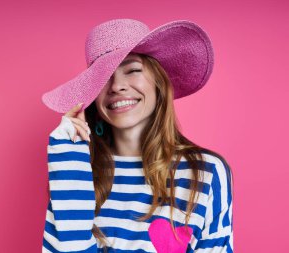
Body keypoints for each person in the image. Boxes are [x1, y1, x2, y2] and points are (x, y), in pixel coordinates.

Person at [41, 18, 233, 253]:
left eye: (132, 70)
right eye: (103, 77)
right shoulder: (75, 167)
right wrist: (69, 160)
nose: (117, 86)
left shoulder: (205, 171)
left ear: (158, 83)